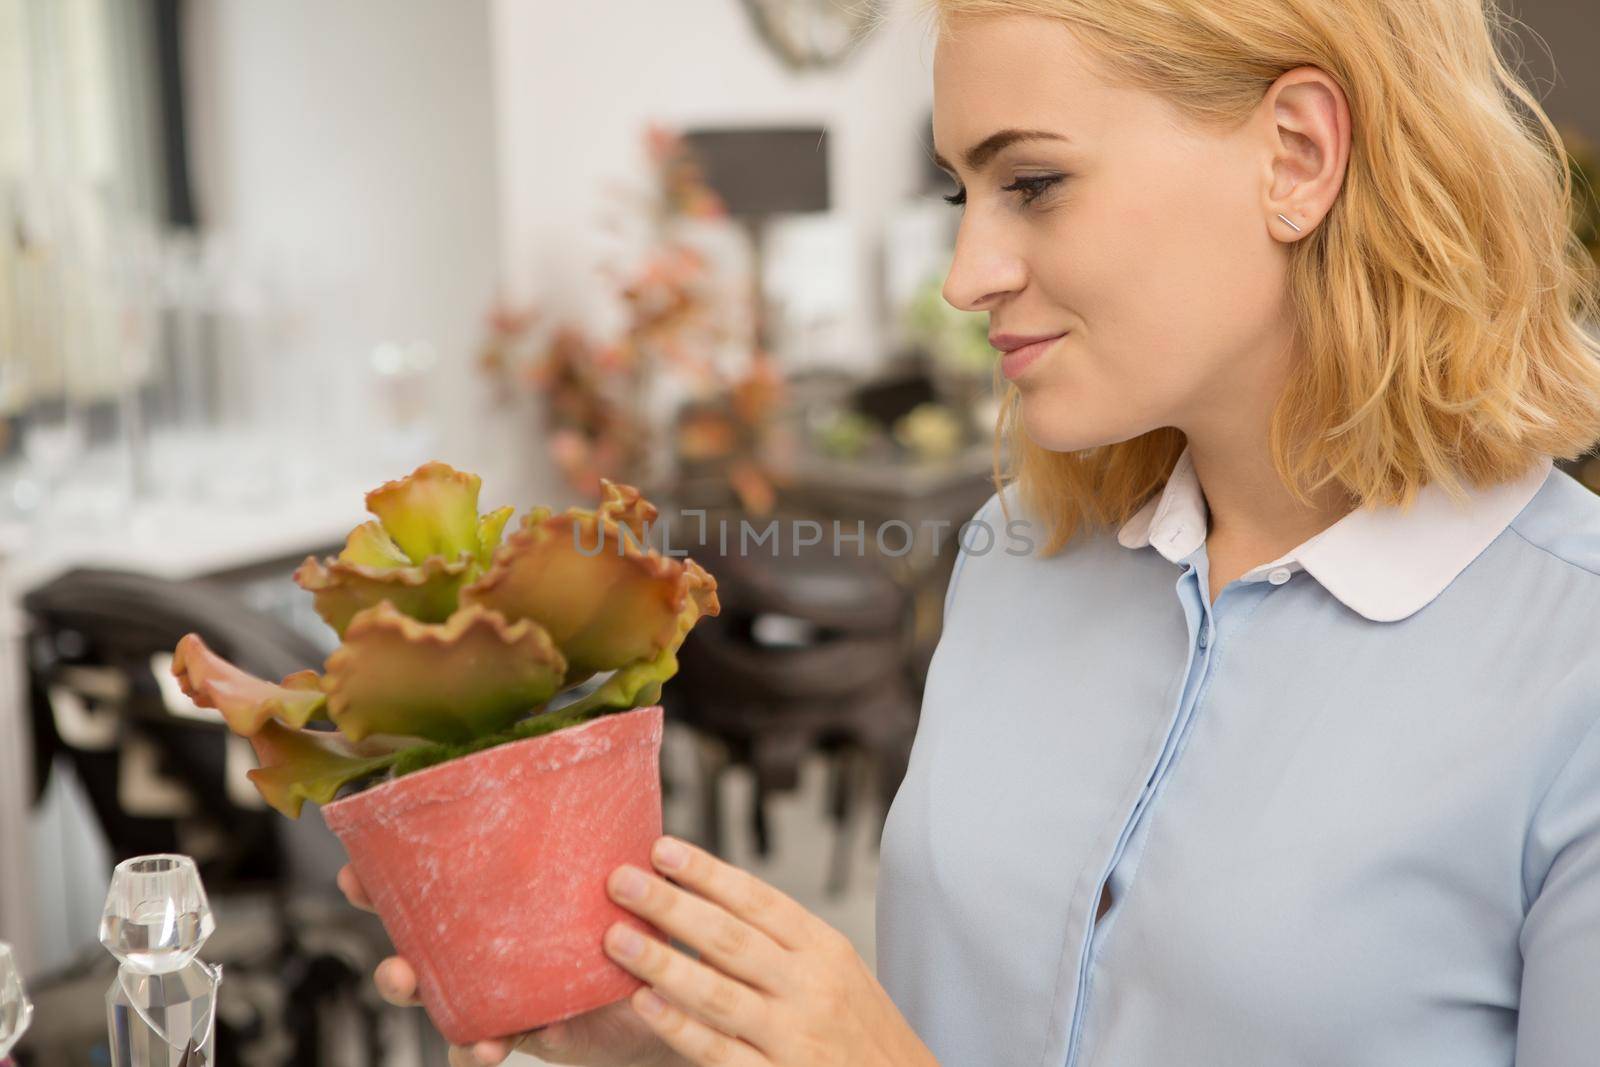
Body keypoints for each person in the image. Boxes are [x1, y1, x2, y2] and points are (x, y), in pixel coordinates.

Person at [341, 0, 1600, 1063]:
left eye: (1031, 182)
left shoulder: (1571, 674)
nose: (964, 271)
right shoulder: (1021, 565)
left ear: (1295, 153)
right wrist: (672, 1032)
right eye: (959, 190)